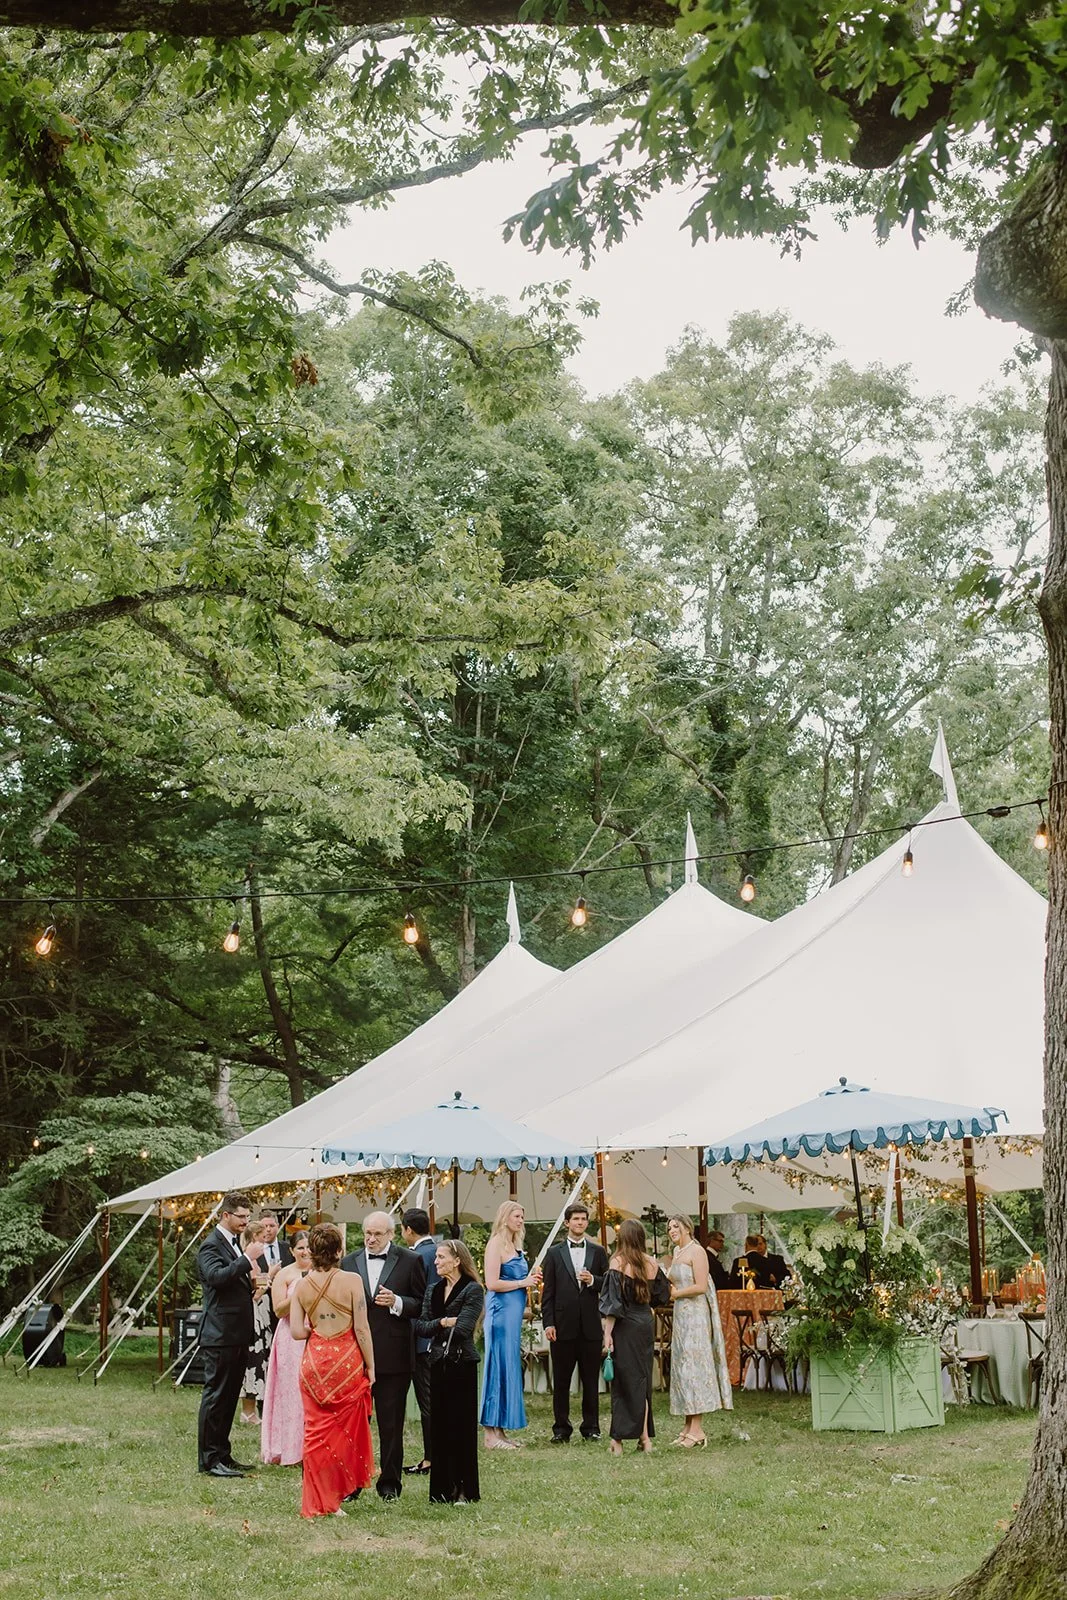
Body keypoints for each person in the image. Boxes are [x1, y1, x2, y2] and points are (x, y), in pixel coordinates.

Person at [290, 1223, 375, 1518]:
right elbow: (362, 1329)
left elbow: (298, 1333)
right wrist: (371, 1367)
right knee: (342, 1432)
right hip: (346, 1363)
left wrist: (317, 1327)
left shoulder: (301, 1285)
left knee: (314, 1434)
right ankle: (336, 1497)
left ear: (311, 1252)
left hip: (313, 1363)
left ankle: (318, 1499)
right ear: (339, 1250)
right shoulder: (352, 1280)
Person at [341, 1211, 426, 1500]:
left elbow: (422, 1304)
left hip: (394, 1355)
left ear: (391, 1234)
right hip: (355, 1357)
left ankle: (389, 1484)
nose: (371, 1239)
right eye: (367, 1233)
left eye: (377, 1234)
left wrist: (398, 1302)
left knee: (391, 1424)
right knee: (355, 1425)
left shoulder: (411, 1260)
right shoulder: (348, 1262)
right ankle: (352, 1483)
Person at [195, 1191, 264, 1477]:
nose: (246, 1222)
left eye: (248, 1217)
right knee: (216, 1396)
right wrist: (247, 1259)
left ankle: (223, 1454)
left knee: (229, 1397)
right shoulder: (210, 1246)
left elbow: (233, 1283)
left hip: (236, 1333)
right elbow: (216, 1278)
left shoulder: (234, 1243)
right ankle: (209, 1460)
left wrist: (255, 1283)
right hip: (220, 1334)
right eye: (241, 1217)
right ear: (225, 1215)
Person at [415, 1239, 485, 1504]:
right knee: (440, 1426)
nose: (436, 1262)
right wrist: (444, 1321)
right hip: (437, 1362)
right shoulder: (433, 1290)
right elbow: (420, 1327)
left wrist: (439, 1326)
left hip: (461, 1363)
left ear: (457, 1260)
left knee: (461, 1427)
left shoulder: (473, 1289)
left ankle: (464, 1488)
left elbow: (465, 1328)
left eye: (441, 1257)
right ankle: (442, 1489)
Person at [599, 1218, 670, 1455]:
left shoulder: (618, 1262)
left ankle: (617, 1441)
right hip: (644, 1324)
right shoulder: (652, 1262)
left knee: (622, 1382)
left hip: (625, 1325)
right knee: (642, 1380)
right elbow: (663, 1295)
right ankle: (645, 1439)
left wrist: (607, 1334)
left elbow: (613, 1305)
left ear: (623, 1238)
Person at [540, 1202, 608, 1443]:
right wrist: (548, 1323)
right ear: (567, 1223)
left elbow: (608, 1286)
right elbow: (547, 1293)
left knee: (590, 1381)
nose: (580, 1223)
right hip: (562, 1327)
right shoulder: (554, 1253)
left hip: (590, 1327)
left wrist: (593, 1280)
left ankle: (591, 1428)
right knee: (561, 1382)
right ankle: (561, 1429)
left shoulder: (598, 1252)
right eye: (576, 1219)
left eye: (583, 1219)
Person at [666, 1214, 733, 1446]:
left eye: (675, 1226)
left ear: (686, 1228)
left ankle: (698, 1429)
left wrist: (676, 1294)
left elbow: (701, 1286)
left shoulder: (697, 1251)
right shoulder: (676, 1253)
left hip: (695, 1315)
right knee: (683, 1368)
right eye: (669, 1228)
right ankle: (687, 1426)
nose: (672, 1230)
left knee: (695, 1368)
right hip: (681, 1316)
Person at [480, 1200, 540, 1449]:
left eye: (522, 1217)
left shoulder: (515, 1246)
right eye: (517, 1216)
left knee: (508, 1368)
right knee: (497, 1367)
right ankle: (490, 1434)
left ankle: (501, 1430)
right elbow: (492, 1283)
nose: (521, 1220)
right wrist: (523, 1282)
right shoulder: (495, 1244)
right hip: (500, 1314)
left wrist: (531, 1279)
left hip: (513, 1316)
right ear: (505, 1218)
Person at [261, 1232, 312, 1467]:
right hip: (290, 1336)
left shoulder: (322, 1271)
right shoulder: (285, 1274)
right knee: (292, 1392)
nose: (305, 1252)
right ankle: (290, 1449)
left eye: (309, 1247)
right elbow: (278, 1310)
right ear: (291, 1251)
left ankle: (312, 1448)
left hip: (316, 1333)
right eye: (300, 1248)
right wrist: (300, 1291)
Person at [401, 1206, 439, 1478]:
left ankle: (430, 1458)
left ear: (408, 1230)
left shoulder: (415, 1257)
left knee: (428, 1400)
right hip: (440, 1336)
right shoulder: (441, 1252)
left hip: (421, 1337)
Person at [239, 1220, 277, 1424]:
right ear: (254, 1238)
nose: (265, 1241)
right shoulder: (249, 1259)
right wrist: (270, 1275)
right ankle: (248, 1411)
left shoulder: (255, 1259)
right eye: (263, 1238)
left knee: (259, 1360)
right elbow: (255, 1292)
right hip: (254, 1315)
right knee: (253, 1361)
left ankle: (251, 1410)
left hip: (261, 1315)